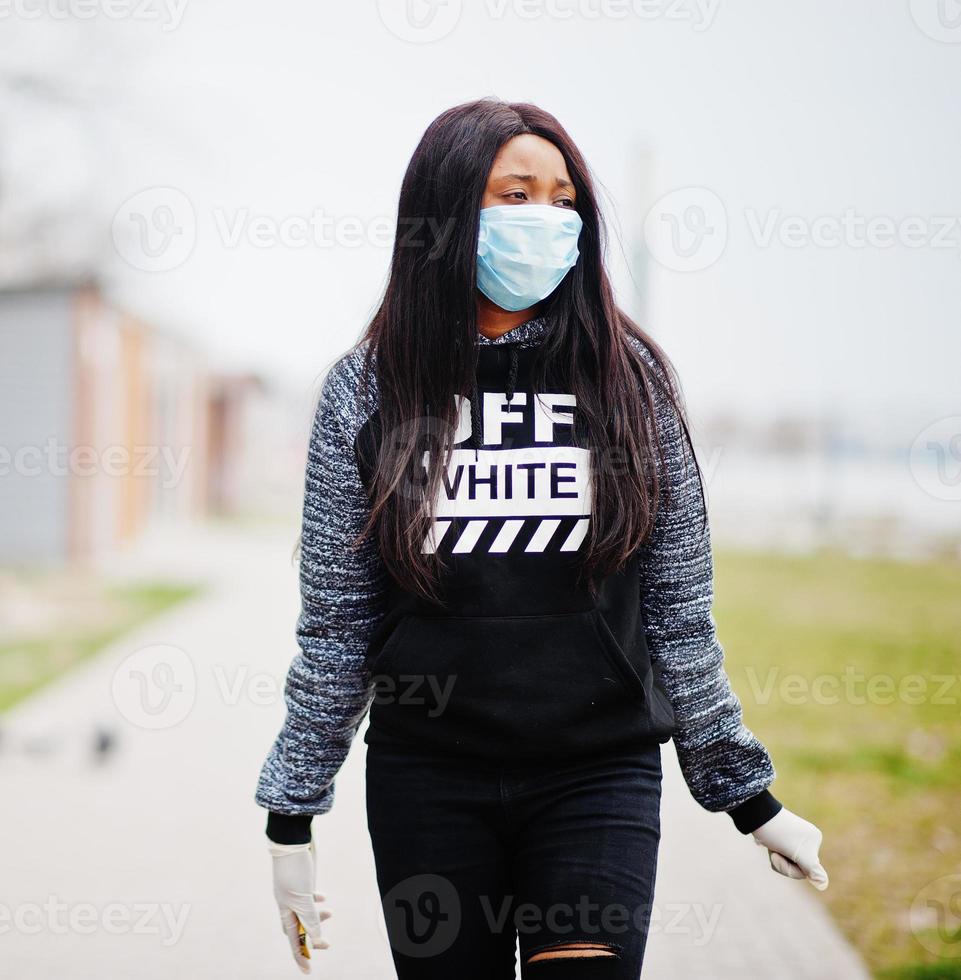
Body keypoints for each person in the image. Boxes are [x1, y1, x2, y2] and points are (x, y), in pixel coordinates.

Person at [255, 99, 829, 979]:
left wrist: (745, 796)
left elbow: (679, 616)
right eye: (514, 195)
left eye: (563, 201)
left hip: (595, 777)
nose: (546, 221)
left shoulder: (627, 383)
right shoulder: (366, 391)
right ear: (443, 219)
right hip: (427, 782)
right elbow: (337, 627)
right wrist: (290, 815)